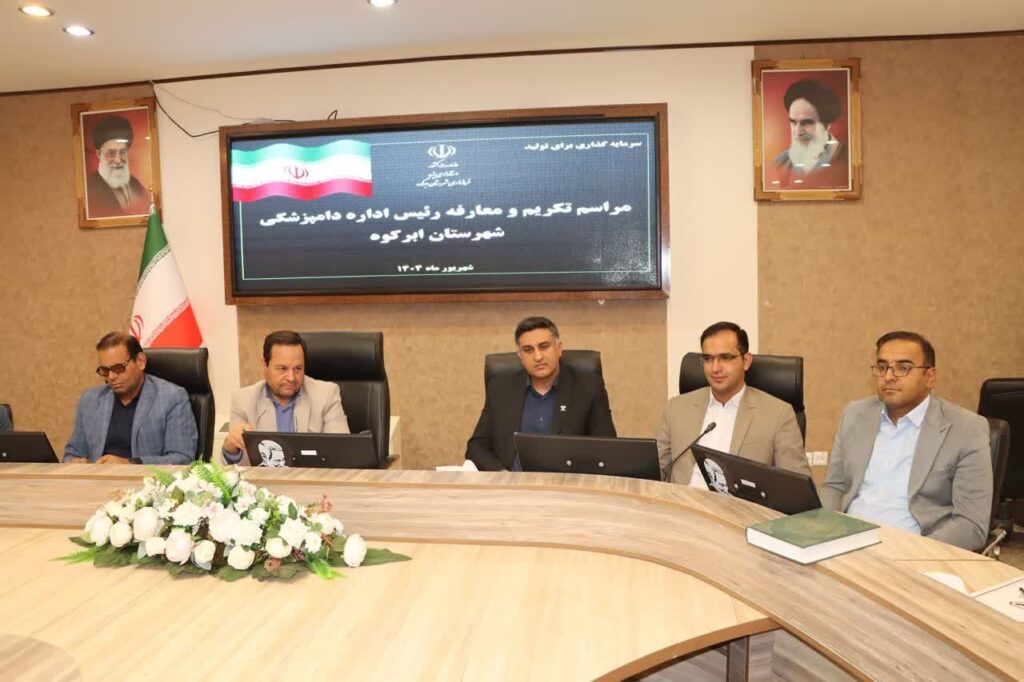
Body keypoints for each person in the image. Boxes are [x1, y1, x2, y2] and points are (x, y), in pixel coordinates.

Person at [822, 331, 992, 551]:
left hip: (913, 552)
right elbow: (834, 486)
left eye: (903, 368)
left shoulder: (966, 428)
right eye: (882, 367)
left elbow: (971, 525)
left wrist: (912, 551)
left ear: (930, 377)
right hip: (846, 542)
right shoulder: (855, 414)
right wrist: (826, 531)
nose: (889, 377)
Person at [656, 321, 809, 485]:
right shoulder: (676, 408)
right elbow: (655, 471)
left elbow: (797, 486)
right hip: (681, 500)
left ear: (746, 361)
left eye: (725, 358)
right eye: (708, 359)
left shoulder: (778, 414)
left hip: (737, 502)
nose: (715, 368)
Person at [466, 316, 616, 471]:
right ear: (520, 356)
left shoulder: (588, 388)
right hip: (512, 482)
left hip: (565, 482)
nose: (538, 357)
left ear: (559, 348)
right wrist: (502, 475)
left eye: (544, 347)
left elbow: (606, 449)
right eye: (528, 350)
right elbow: (476, 447)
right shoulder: (501, 388)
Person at [64, 332, 197, 464]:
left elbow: (182, 458)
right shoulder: (90, 400)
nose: (111, 377)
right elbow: (72, 453)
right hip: (98, 476)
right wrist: (75, 462)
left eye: (118, 368)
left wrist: (130, 464)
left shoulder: (171, 397)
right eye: (105, 370)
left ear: (140, 362)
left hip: (144, 477)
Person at [223, 330, 349, 465]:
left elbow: (342, 452)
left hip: (313, 476)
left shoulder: (326, 395)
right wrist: (231, 450)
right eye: (282, 368)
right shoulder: (243, 400)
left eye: (298, 369)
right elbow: (242, 466)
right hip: (265, 478)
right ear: (264, 364)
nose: (291, 378)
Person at [771, 79, 848, 185]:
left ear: (826, 125)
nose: (797, 132)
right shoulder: (780, 162)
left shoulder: (846, 160)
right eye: (793, 122)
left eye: (806, 123)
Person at [85, 115, 150, 218]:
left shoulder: (137, 186)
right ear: (99, 154)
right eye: (111, 153)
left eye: (122, 152)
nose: (118, 160)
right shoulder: (89, 190)